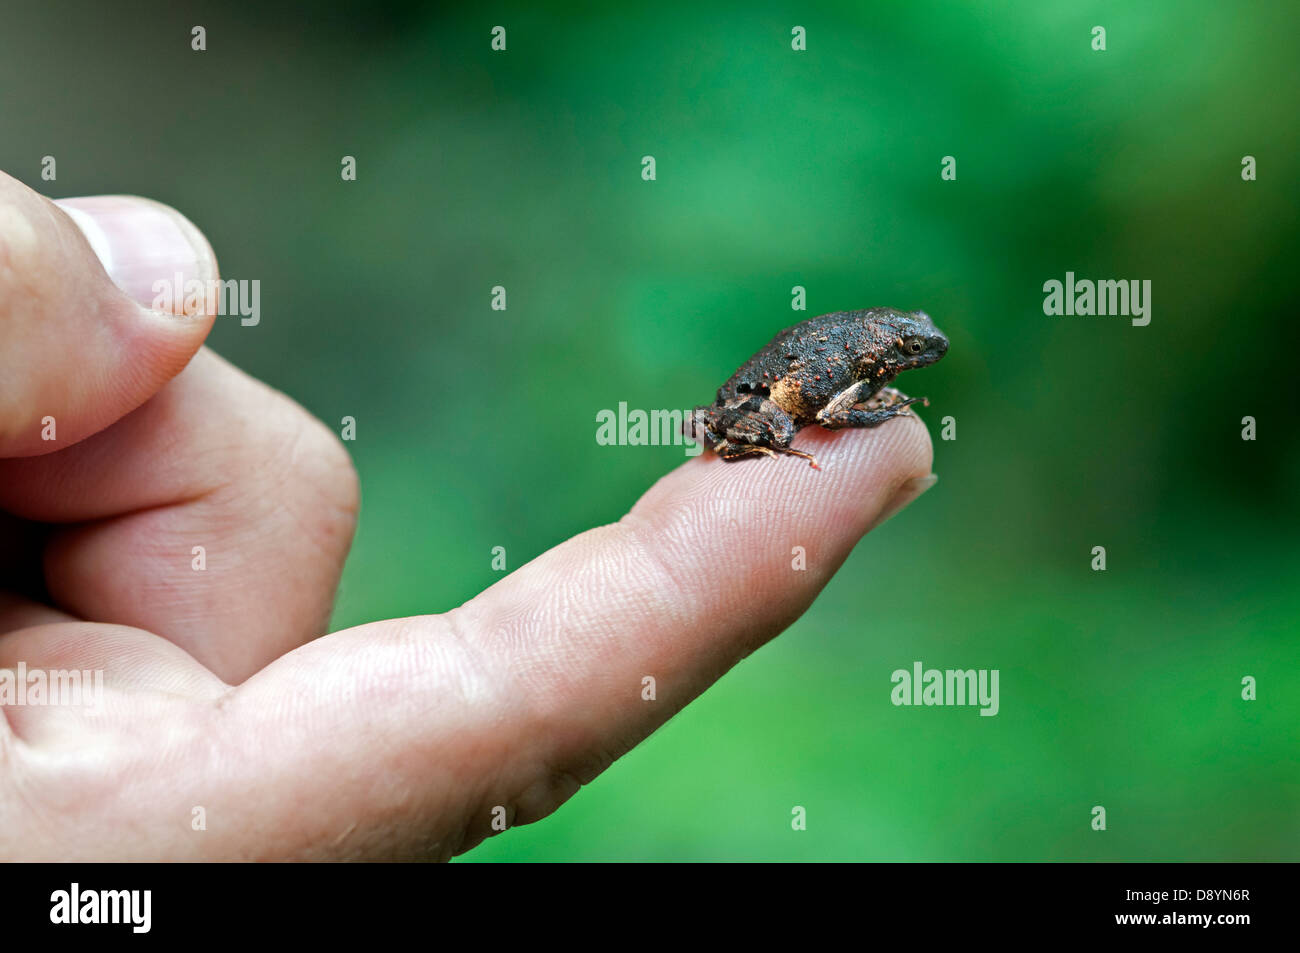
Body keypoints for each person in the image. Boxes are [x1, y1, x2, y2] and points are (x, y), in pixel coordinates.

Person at [0, 171, 935, 860]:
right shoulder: (851, 362)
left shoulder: (860, 347)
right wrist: (859, 412)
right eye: (907, 347)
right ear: (884, 344)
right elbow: (824, 405)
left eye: (909, 349)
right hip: (748, 405)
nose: (917, 354)